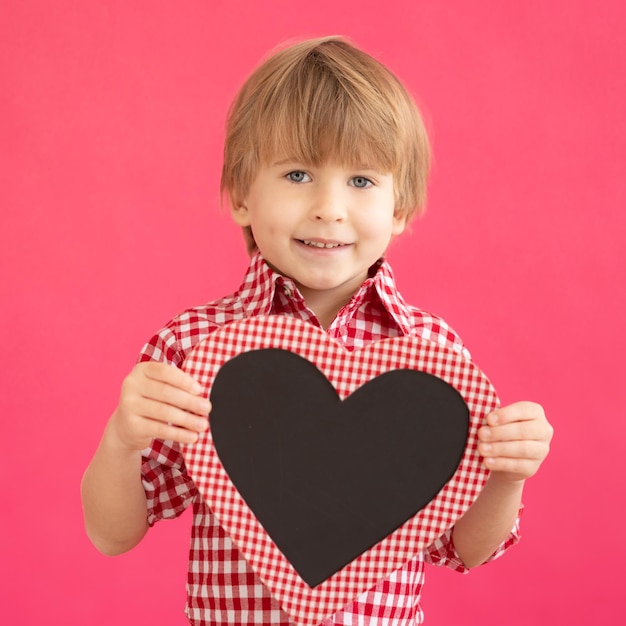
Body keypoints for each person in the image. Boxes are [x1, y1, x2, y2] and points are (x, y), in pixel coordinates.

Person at [81, 36, 553, 625]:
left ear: (399, 208)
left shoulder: (434, 360)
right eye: (298, 173)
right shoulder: (194, 348)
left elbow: (463, 548)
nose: (330, 207)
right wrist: (122, 439)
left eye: (361, 181)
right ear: (240, 195)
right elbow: (112, 534)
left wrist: (506, 475)